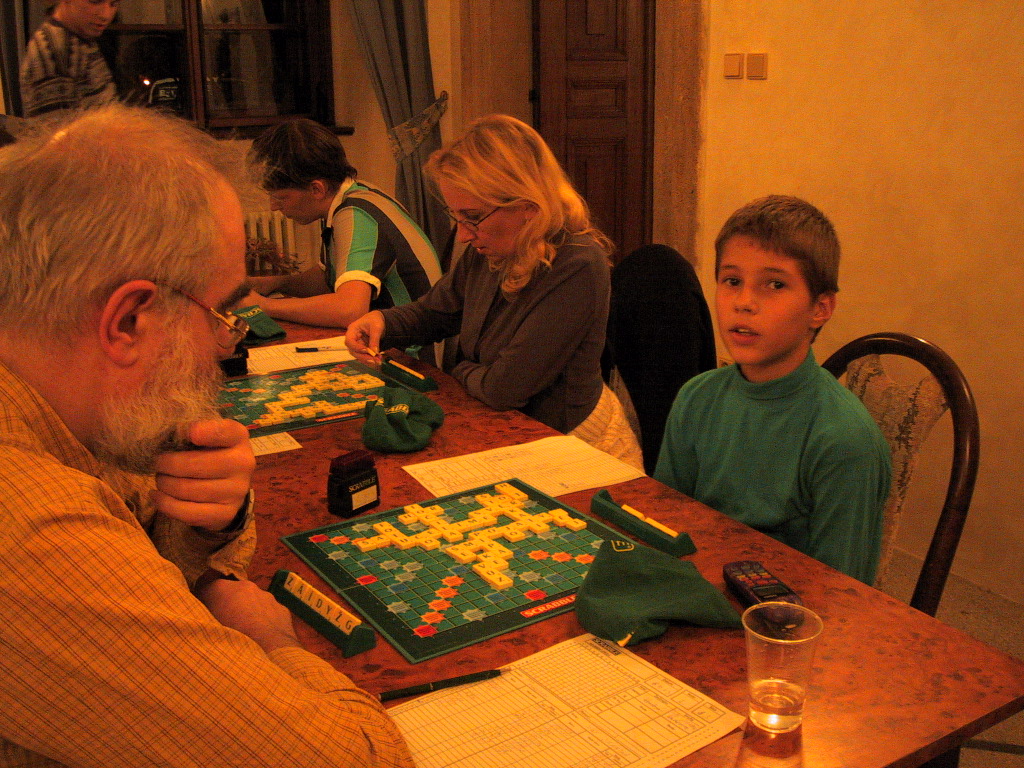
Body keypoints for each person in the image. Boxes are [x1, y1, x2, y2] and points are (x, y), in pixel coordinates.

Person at [0, 105, 413, 767]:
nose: (227, 345)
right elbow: (362, 759)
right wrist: (274, 641)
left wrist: (210, 526)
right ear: (128, 321)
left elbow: (147, 533)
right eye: (222, 313)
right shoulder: (31, 532)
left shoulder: (51, 405)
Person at [345, 114, 643, 469]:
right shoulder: (492, 246)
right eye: (456, 216)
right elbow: (435, 313)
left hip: (575, 443)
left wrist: (459, 369)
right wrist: (382, 322)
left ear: (527, 208)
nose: (462, 235)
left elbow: (505, 389)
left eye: (472, 216)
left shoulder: (578, 263)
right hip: (509, 429)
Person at [654, 195, 891, 584]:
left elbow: (845, 594)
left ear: (820, 309)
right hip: (693, 590)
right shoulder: (696, 398)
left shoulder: (844, 440)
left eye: (775, 284)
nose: (744, 303)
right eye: (732, 281)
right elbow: (663, 529)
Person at [245, 118, 442, 329]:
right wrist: (274, 283)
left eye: (280, 197)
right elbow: (327, 279)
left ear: (317, 189)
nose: (273, 206)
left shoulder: (357, 214)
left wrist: (263, 306)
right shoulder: (354, 196)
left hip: (411, 346)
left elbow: (349, 309)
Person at [19, 0, 119, 117]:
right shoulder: (55, 51)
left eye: (113, 4)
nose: (105, 15)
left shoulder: (81, 37)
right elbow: (56, 126)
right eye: (94, 1)